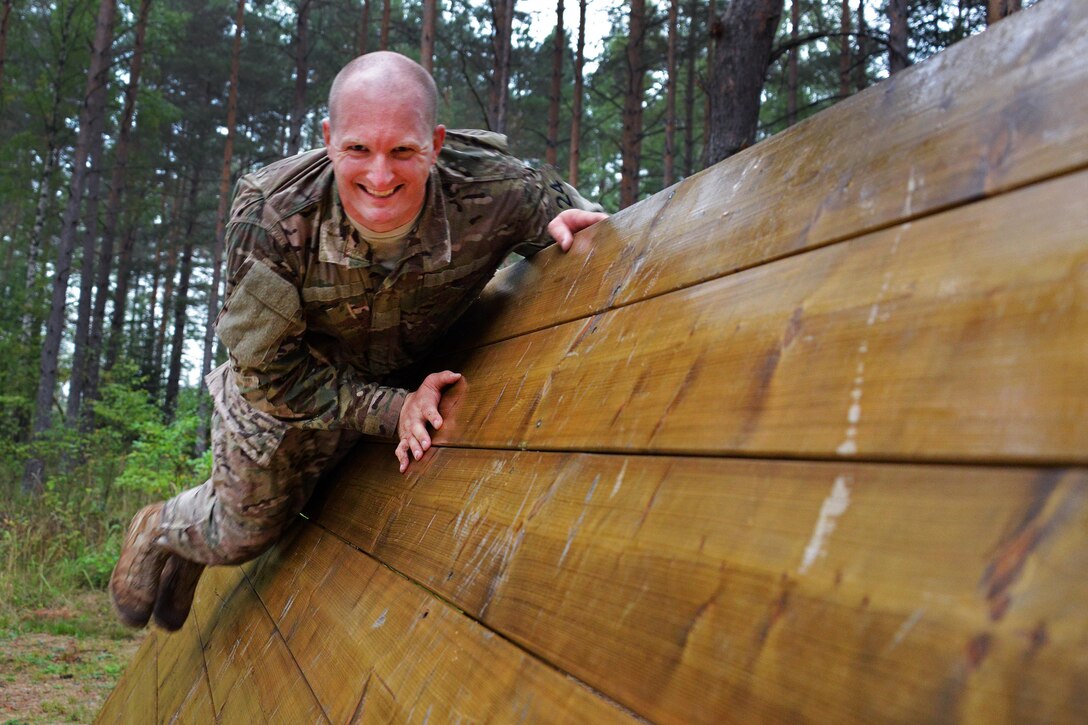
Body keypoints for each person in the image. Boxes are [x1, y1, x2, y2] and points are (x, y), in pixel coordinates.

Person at [108, 51, 607, 632]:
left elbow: (579, 223)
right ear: (327, 139)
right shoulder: (270, 216)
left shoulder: (496, 186)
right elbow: (267, 374)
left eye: (403, 150)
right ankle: (163, 529)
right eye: (357, 150)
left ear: (436, 142)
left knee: (308, 518)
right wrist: (393, 409)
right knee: (246, 535)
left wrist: (577, 237)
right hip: (285, 402)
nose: (379, 175)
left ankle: (200, 540)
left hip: (401, 376)